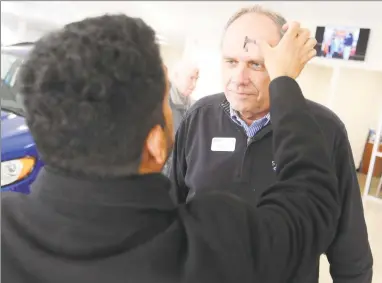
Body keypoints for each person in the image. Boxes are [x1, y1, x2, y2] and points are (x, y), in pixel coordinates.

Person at [1, 14, 338, 283]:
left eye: (255, 64)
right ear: (155, 144)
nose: (240, 77)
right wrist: (285, 84)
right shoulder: (210, 249)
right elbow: (310, 200)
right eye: (166, 99)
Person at [170, 5, 373, 283]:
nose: (239, 79)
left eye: (256, 64)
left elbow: (350, 252)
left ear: (284, 66)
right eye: (231, 61)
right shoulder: (198, 119)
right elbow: (170, 213)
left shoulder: (325, 130)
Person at [169, 60, 199, 133]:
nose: (194, 85)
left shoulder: (194, 105)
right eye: (191, 78)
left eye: (196, 79)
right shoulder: (162, 103)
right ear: (176, 76)